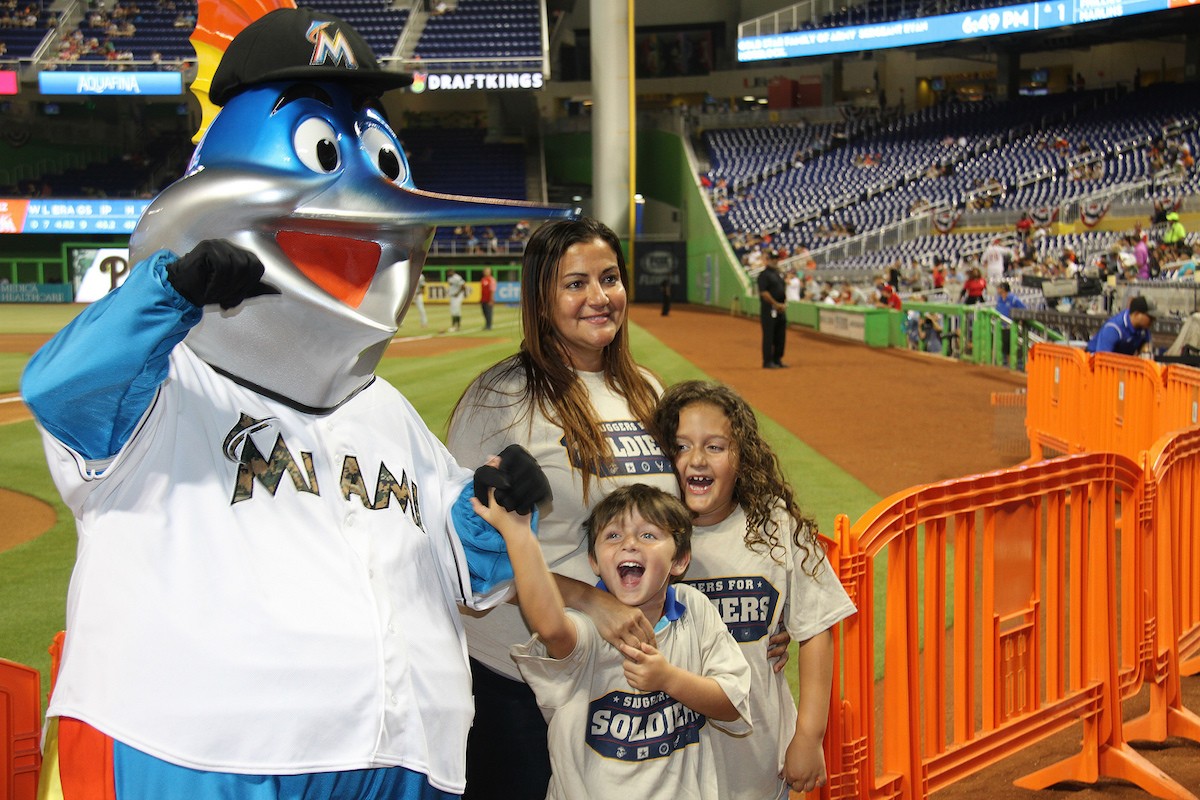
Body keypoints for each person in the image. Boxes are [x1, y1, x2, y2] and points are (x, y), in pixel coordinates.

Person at [19, 7, 568, 798]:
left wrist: (498, 509)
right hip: (201, 757)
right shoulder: (166, 383)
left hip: (404, 758)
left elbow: (469, 571)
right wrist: (164, 294)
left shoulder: (387, 415)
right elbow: (64, 388)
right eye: (322, 150)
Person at [446, 217, 681, 800]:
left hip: (626, 682)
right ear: (541, 298)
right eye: (576, 283)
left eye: (610, 278)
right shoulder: (500, 399)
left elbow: (677, 529)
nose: (599, 298)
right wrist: (589, 600)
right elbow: (460, 551)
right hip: (519, 681)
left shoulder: (646, 391)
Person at [472, 483, 752, 800]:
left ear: (680, 560)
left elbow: (731, 703)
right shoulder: (588, 627)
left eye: (648, 535)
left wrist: (667, 678)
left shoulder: (695, 611)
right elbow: (551, 628)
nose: (629, 545)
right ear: (593, 561)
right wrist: (519, 534)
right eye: (613, 536)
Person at [653, 381, 856, 799]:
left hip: (757, 755)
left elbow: (816, 628)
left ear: (741, 457)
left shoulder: (776, 527)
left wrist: (809, 736)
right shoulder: (648, 535)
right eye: (681, 446)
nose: (696, 460)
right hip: (670, 759)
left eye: (715, 447)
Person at [1086, 295, 1157, 355]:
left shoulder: (1143, 328)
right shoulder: (1113, 328)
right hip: (1096, 365)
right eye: (1150, 317)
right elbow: (1102, 359)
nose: (1153, 320)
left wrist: (1145, 349)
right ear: (1136, 314)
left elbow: (1146, 348)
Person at [758, 248, 787, 369]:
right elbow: (764, 293)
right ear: (768, 260)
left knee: (780, 336)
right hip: (769, 310)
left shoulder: (778, 274)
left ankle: (777, 359)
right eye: (773, 259)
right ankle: (767, 361)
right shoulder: (764, 275)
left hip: (780, 309)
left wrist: (783, 304)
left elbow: (782, 291)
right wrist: (776, 304)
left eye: (776, 259)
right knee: (769, 336)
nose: (775, 261)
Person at [994, 281, 1026, 366]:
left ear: (1003, 289)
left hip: (1010, 327)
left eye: (999, 288)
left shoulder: (1013, 298)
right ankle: (1003, 365)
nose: (998, 289)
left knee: (1010, 348)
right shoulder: (1000, 299)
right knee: (1002, 347)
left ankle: (1011, 365)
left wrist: (1019, 320)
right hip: (1001, 326)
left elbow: (1023, 309)